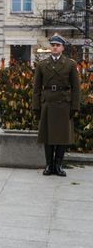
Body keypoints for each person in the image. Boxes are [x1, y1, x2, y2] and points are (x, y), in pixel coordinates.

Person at [32, 33, 81, 177]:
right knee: (47, 137)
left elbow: (76, 88)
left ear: (62, 48)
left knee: (62, 137)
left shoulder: (70, 64)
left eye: (57, 45)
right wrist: (36, 107)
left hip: (63, 103)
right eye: (53, 45)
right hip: (47, 103)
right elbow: (36, 89)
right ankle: (49, 165)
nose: (54, 48)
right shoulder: (42, 65)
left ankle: (58, 165)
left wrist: (75, 106)